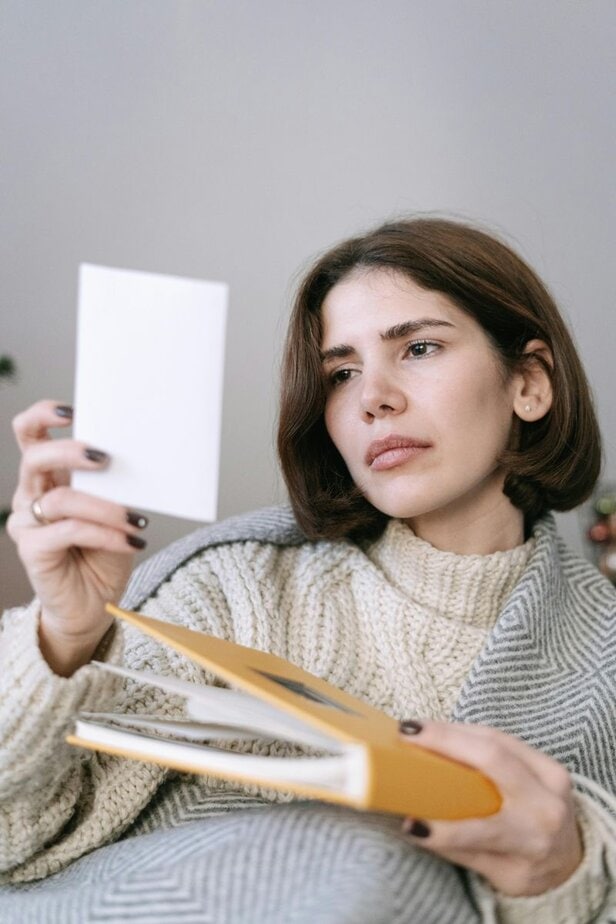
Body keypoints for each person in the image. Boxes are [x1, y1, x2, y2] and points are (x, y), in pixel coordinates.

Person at [1, 217, 614, 923]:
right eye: (341, 373)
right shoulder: (235, 592)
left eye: (417, 347)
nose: (371, 398)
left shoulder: (604, 653)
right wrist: (63, 636)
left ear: (529, 384)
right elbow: (16, 846)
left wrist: (562, 874)